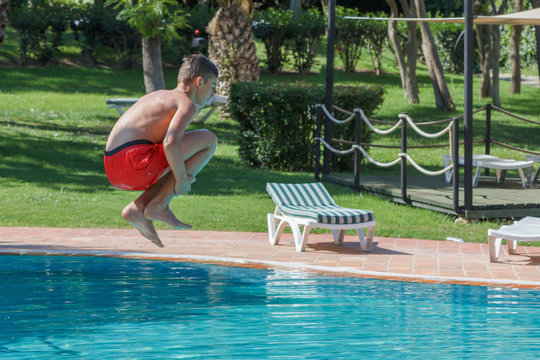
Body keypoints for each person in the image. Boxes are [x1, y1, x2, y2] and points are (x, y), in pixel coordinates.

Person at [104, 54, 219, 247]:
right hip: (132, 162)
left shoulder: (160, 96)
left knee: (175, 163)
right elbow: (170, 143)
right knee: (208, 139)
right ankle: (159, 204)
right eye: (213, 86)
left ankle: (139, 208)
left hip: (113, 165)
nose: (212, 94)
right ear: (199, 82)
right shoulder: (186, 103)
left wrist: (178, 171)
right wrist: (182, 180)